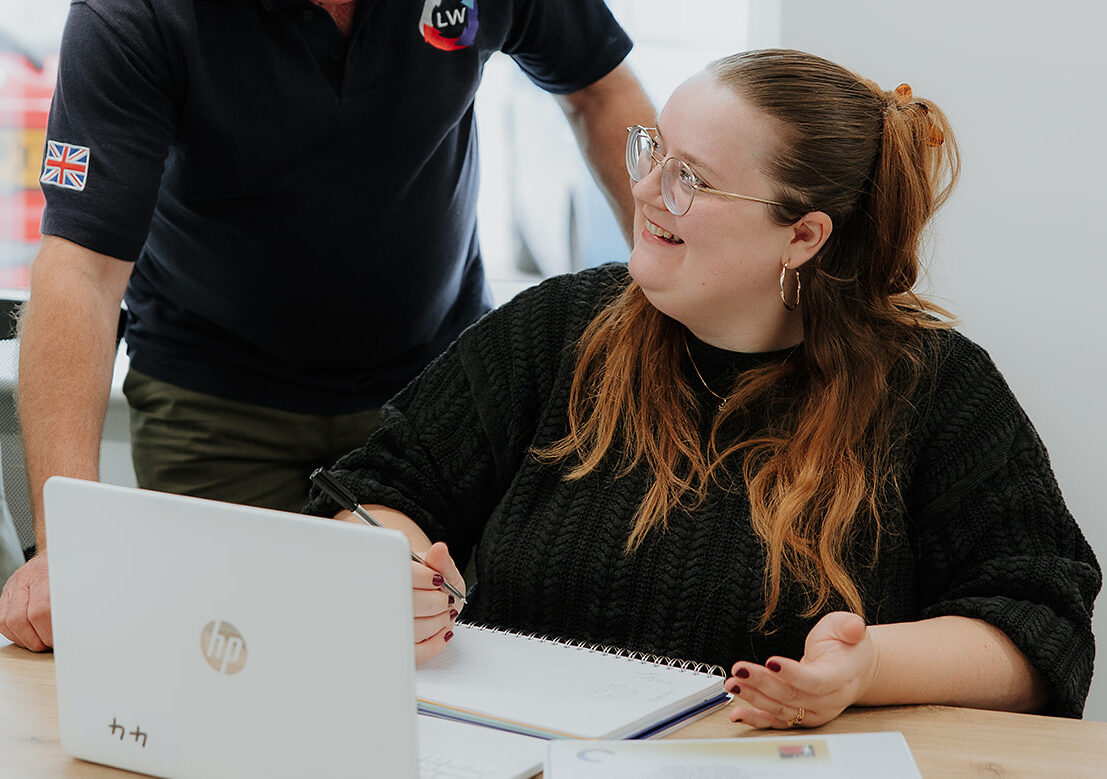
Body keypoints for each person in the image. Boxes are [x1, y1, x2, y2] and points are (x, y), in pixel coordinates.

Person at [0, 0, 653, 651]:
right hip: (218, 401)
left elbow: (599, 91)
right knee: (230, 658)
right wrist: (67, 544)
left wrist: (671, 267)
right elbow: (82, 270)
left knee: (440, 653)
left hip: (436, 385)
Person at [303, 49, 1100, 727]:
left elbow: (1039, 626)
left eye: (689, 177)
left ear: (802, 235)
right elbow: (379, 489)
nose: (646, 189)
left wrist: (866, 667)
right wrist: (392, 570)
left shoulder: (932, 388)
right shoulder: (559, 327)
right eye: (652, 151)